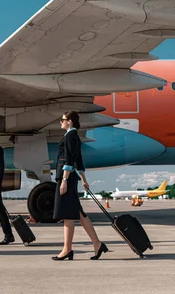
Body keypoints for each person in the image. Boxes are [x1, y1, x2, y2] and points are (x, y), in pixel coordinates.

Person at [52, 111, 108, 261]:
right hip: (71, 178)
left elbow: (69, 160)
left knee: (67, 215)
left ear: (69, 121)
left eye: (62, 120)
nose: (61, 122)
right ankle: (97, 244)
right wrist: (83, 179)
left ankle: (67, 249)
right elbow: (79, 160)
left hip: (67, 179)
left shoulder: (70, 136)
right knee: (78, 213)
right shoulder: (73, 136)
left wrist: (64, 180)